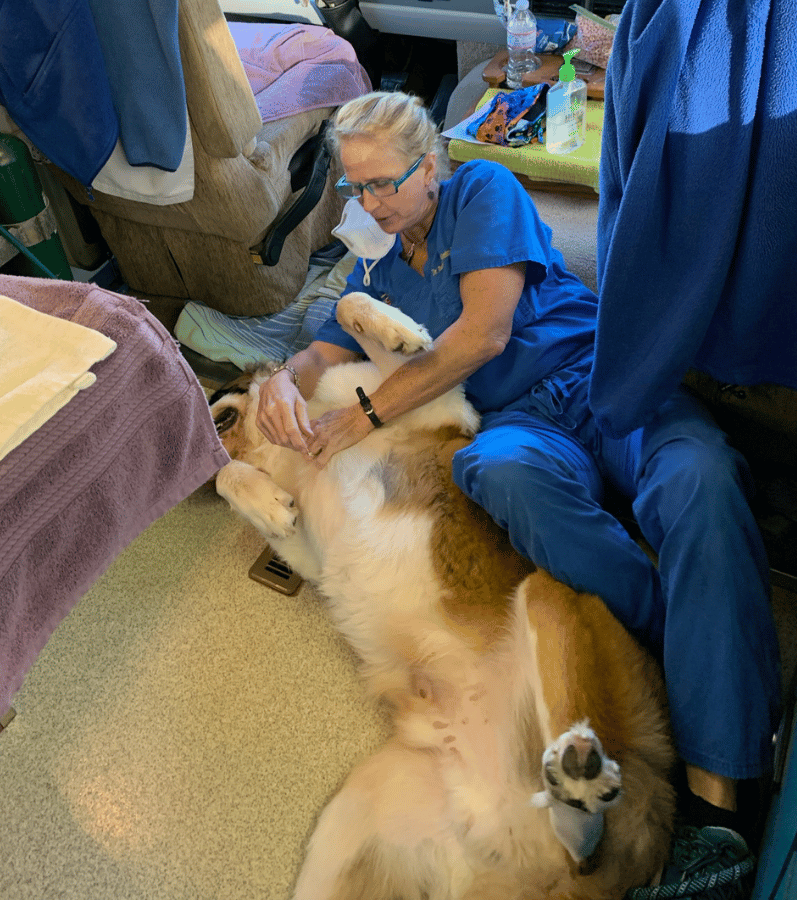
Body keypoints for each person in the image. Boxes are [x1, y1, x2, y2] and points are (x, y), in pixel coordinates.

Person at [255, 91, 781, 840]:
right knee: (494, 471)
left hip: (602, 379)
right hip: (521, 426)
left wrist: (366, 414)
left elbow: (485, 334)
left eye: (386, 183)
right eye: (356, 187)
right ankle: (684, 636)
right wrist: (278, 377)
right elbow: (317, 353)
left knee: (699, 475)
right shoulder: (371, 270)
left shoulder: (484, 190)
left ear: (430, 165)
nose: (373, 203)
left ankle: (726, 794)